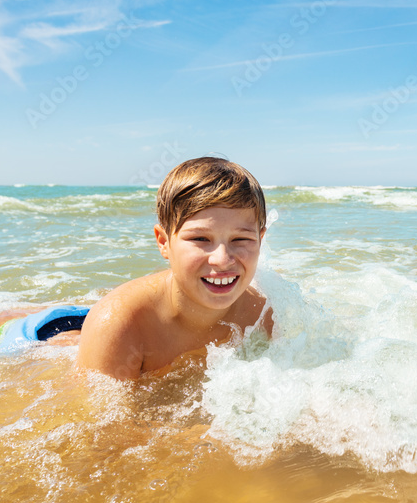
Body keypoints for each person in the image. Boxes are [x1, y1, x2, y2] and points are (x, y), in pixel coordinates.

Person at [76, 156, 272, 379]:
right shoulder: (119, 328)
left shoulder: (264, 315)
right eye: (200, 238)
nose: (222, 259)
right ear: (163, 242)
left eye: (240, 239)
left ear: (260, 238)